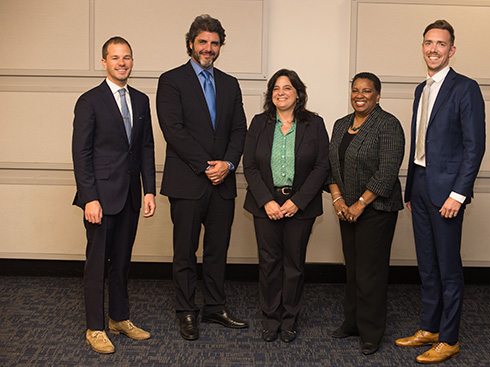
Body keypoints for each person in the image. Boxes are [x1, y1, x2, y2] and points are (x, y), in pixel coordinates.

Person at [395, 20, 485, 364]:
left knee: (448, 269)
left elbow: (473, 147)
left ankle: (449, 339)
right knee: (427, 267)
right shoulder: (422, 88)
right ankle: (429, 329)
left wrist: (458, 195)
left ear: (452, 50)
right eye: (428, 43)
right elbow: (423, 143)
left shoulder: (466, 88)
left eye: (441, 44)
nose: (434, 49)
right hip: (419, 187)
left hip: (447, 193)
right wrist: (410, 188)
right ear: (422, 47)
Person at [156, 14, 248, 341]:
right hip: (188, 183)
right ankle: (186, 312)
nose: (208, 49)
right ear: (191, 44)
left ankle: (214, 306)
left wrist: (228, 164)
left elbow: (239, 130)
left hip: (223, 185)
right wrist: (207, 165)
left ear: (220, 46)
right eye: (203, 42)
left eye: (214, 43)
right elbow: (174, 131)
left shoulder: (230, 83)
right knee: (185, 252)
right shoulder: (171, 80)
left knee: (216, 250)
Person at [72, 36, 156, 354]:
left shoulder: (141, 100)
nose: (122, 63)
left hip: (131, 197)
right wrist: (89, 197)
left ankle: (119, 318)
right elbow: (81, 154)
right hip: (100, 199)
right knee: (97, 264)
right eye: (115, 57)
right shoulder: (89, 101)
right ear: (104, 62)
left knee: (121, 262)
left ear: (132, 62)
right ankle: (95, 328)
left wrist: (149, 189)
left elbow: (145, 147)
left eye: (127, 57)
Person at [243, 69, 329, 343]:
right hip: (264, 204)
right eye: (276, 88)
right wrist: (267, 200)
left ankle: (289, 320)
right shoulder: (259, 123)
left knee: (294, 265)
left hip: (299, 206)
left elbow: (321, 166)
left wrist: (297, 202)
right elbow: (250, 165)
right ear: (270, 95)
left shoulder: (314, 124)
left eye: (287, 87)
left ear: (298, 93)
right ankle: (270, 319)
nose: (281, 92)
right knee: (268, 264)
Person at [327, 72, 405, 355]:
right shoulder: (340, 125)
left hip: (376, 209)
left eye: (367, 91)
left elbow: (387, 171)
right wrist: (338, 199)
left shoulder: (388, 124)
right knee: (353, 269)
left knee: (370, 272)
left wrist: (360, 203)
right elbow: (330, 164)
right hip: (346, 209)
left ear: (378, 95)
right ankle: (352, 323)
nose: (360, 95)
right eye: (355, 90)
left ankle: (371, 332)